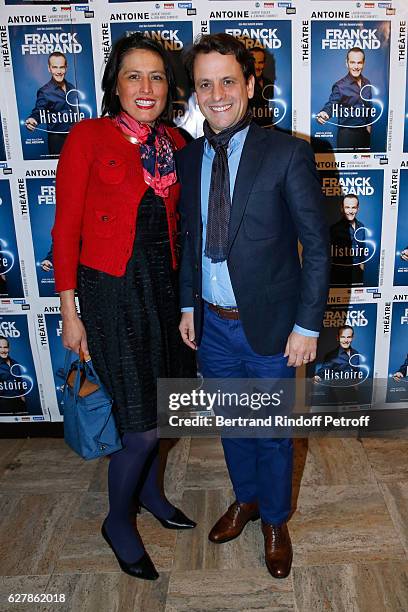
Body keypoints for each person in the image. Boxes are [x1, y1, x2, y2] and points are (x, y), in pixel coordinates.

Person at [178, 33, 330, 579]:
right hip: (213, 326)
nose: (216, 95)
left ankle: (275, 519)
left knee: (273, 432)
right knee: (233, 426)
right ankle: (245, 500)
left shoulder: (287, 152)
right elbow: (193, 240)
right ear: (194, 92)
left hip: (271, 328)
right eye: (204, 84)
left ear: (249, 84)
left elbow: (316, 247)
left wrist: (307, 325)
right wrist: (188, 307)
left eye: (227, 81)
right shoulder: (189, 155)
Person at [52, 33, 196, 581]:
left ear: (169, 88)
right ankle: (118, 520)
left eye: (157, 76)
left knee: (163, 411)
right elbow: (65, 230)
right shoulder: (87, 137)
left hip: (168, 293)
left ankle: (153, 497)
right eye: (134, 75)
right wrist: (70, 311)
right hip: (113, 294)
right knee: (137, 427)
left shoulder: (180, 145)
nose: (146, 86)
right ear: (115, 83)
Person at [315, 47, 372, 151]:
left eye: (359, 63)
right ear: (347, 63)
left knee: (365, 166)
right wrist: (325, 113)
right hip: (347, 135)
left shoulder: (367, 83)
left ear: (364, 63)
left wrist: (368, 129)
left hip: (364, 134)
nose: (356, 66)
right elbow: (331, 104)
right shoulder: (340, 86)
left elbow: (369, 107)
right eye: (352, 62)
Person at [25, 52, 78, 156]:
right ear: (49, 68)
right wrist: (33, 119)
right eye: (55, 67)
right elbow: (38, 111)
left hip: (75, 137)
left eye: (61, 67)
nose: (58, 71)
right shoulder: (44, 91)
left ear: (66, 68)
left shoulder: (72, 87)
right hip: (57, 140)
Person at [314, 325, 361, 405]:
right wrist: (317, 376)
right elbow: (324, 369)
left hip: (352, 393)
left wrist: (357, 384)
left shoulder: (355, 353)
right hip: (337, 393)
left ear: (352, 338)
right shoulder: (332, 355)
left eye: (349, 337)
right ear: (338, 338)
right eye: (343, 337)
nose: (346, 340)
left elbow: (356, 371)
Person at [330, 194, 366, 285]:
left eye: (353, 207)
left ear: (358, 209)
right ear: (342, 209)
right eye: (347, 207)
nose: (350, 211)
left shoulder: (362, 227)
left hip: (357, 274)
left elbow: (362, 251)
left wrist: (361, 269)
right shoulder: (334, 229)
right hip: (339, 275)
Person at [249, 47, 275, 128]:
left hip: (269, 130)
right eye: (254, 62)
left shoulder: (269, 83)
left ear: (264, 64)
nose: (257, 66)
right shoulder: (243, 84)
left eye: (260, 62)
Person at [0, 336, 27, 414]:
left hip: (19, 404)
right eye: (0, 347)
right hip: (3, 405)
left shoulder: (15, 363)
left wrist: (23, 398)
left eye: (5, 347)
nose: (3, 350)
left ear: (9, 348)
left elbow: (20, 382)